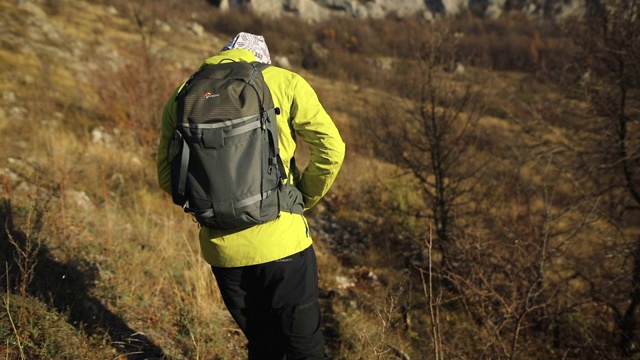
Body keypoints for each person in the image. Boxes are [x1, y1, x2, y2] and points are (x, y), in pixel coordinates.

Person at [156, 32, 346, 359]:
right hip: (283, 243)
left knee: (263, 347)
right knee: (306, 352)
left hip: (223, 254)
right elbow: (332, 150)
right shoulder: (284, 82)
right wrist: (301, 198)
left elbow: (166, 177)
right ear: (260, 61)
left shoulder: (183, 94)